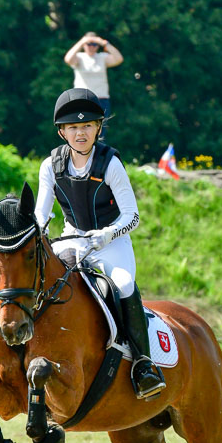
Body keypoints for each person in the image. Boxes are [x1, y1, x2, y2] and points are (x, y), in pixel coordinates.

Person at [34, 87, 165, 400]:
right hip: (72, 240)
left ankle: (144, 366)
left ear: (97, 129)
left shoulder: (110, 164)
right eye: (74, 128)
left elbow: (132, 216)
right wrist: (38, 234)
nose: (81, 133)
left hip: (111, 242)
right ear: (62, 131)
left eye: (88, 126)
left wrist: (107, 233)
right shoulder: (50, 165)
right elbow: (41, 213)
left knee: (123, 284)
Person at [64, 32, 123, 138]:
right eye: (89, 44)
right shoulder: (79, 57)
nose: (91, 47)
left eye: (94, 44)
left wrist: (104, 43)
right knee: (80, 129)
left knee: (100, 131)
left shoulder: (102, 57)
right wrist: (82, 41)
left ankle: (98, 154)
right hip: (82, 99)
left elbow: (118, 58)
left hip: (101, 100)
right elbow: (68, 59)